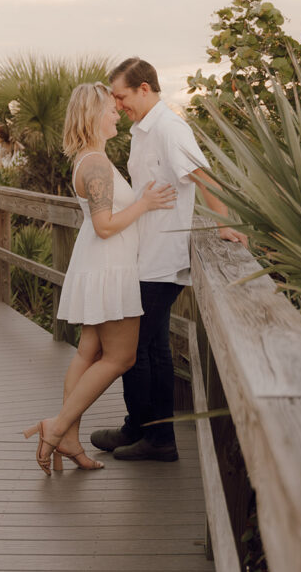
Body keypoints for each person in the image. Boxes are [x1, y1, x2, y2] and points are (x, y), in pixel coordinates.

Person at [90, 57, 249, 462]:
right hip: (145, 255)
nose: (119, 104)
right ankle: (140, 427)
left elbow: (203, 175)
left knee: (137, 347)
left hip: (163, 256)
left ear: (145, 88)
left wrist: (221, 225)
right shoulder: (144, 130)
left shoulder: (169, 127)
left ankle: (157, 438)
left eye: (122, 96)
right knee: (150, 346)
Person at [24, 81, 176, 475]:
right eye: (110, 109)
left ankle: (69, 434)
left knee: (89, 350)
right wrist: (144, 203)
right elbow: (105, 226)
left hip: (102, 264)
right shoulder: (94, 164)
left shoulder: (94, 159)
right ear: (93, 115)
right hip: (109, 266)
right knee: (122, 356)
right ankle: (57, 427)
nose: (116, 114)